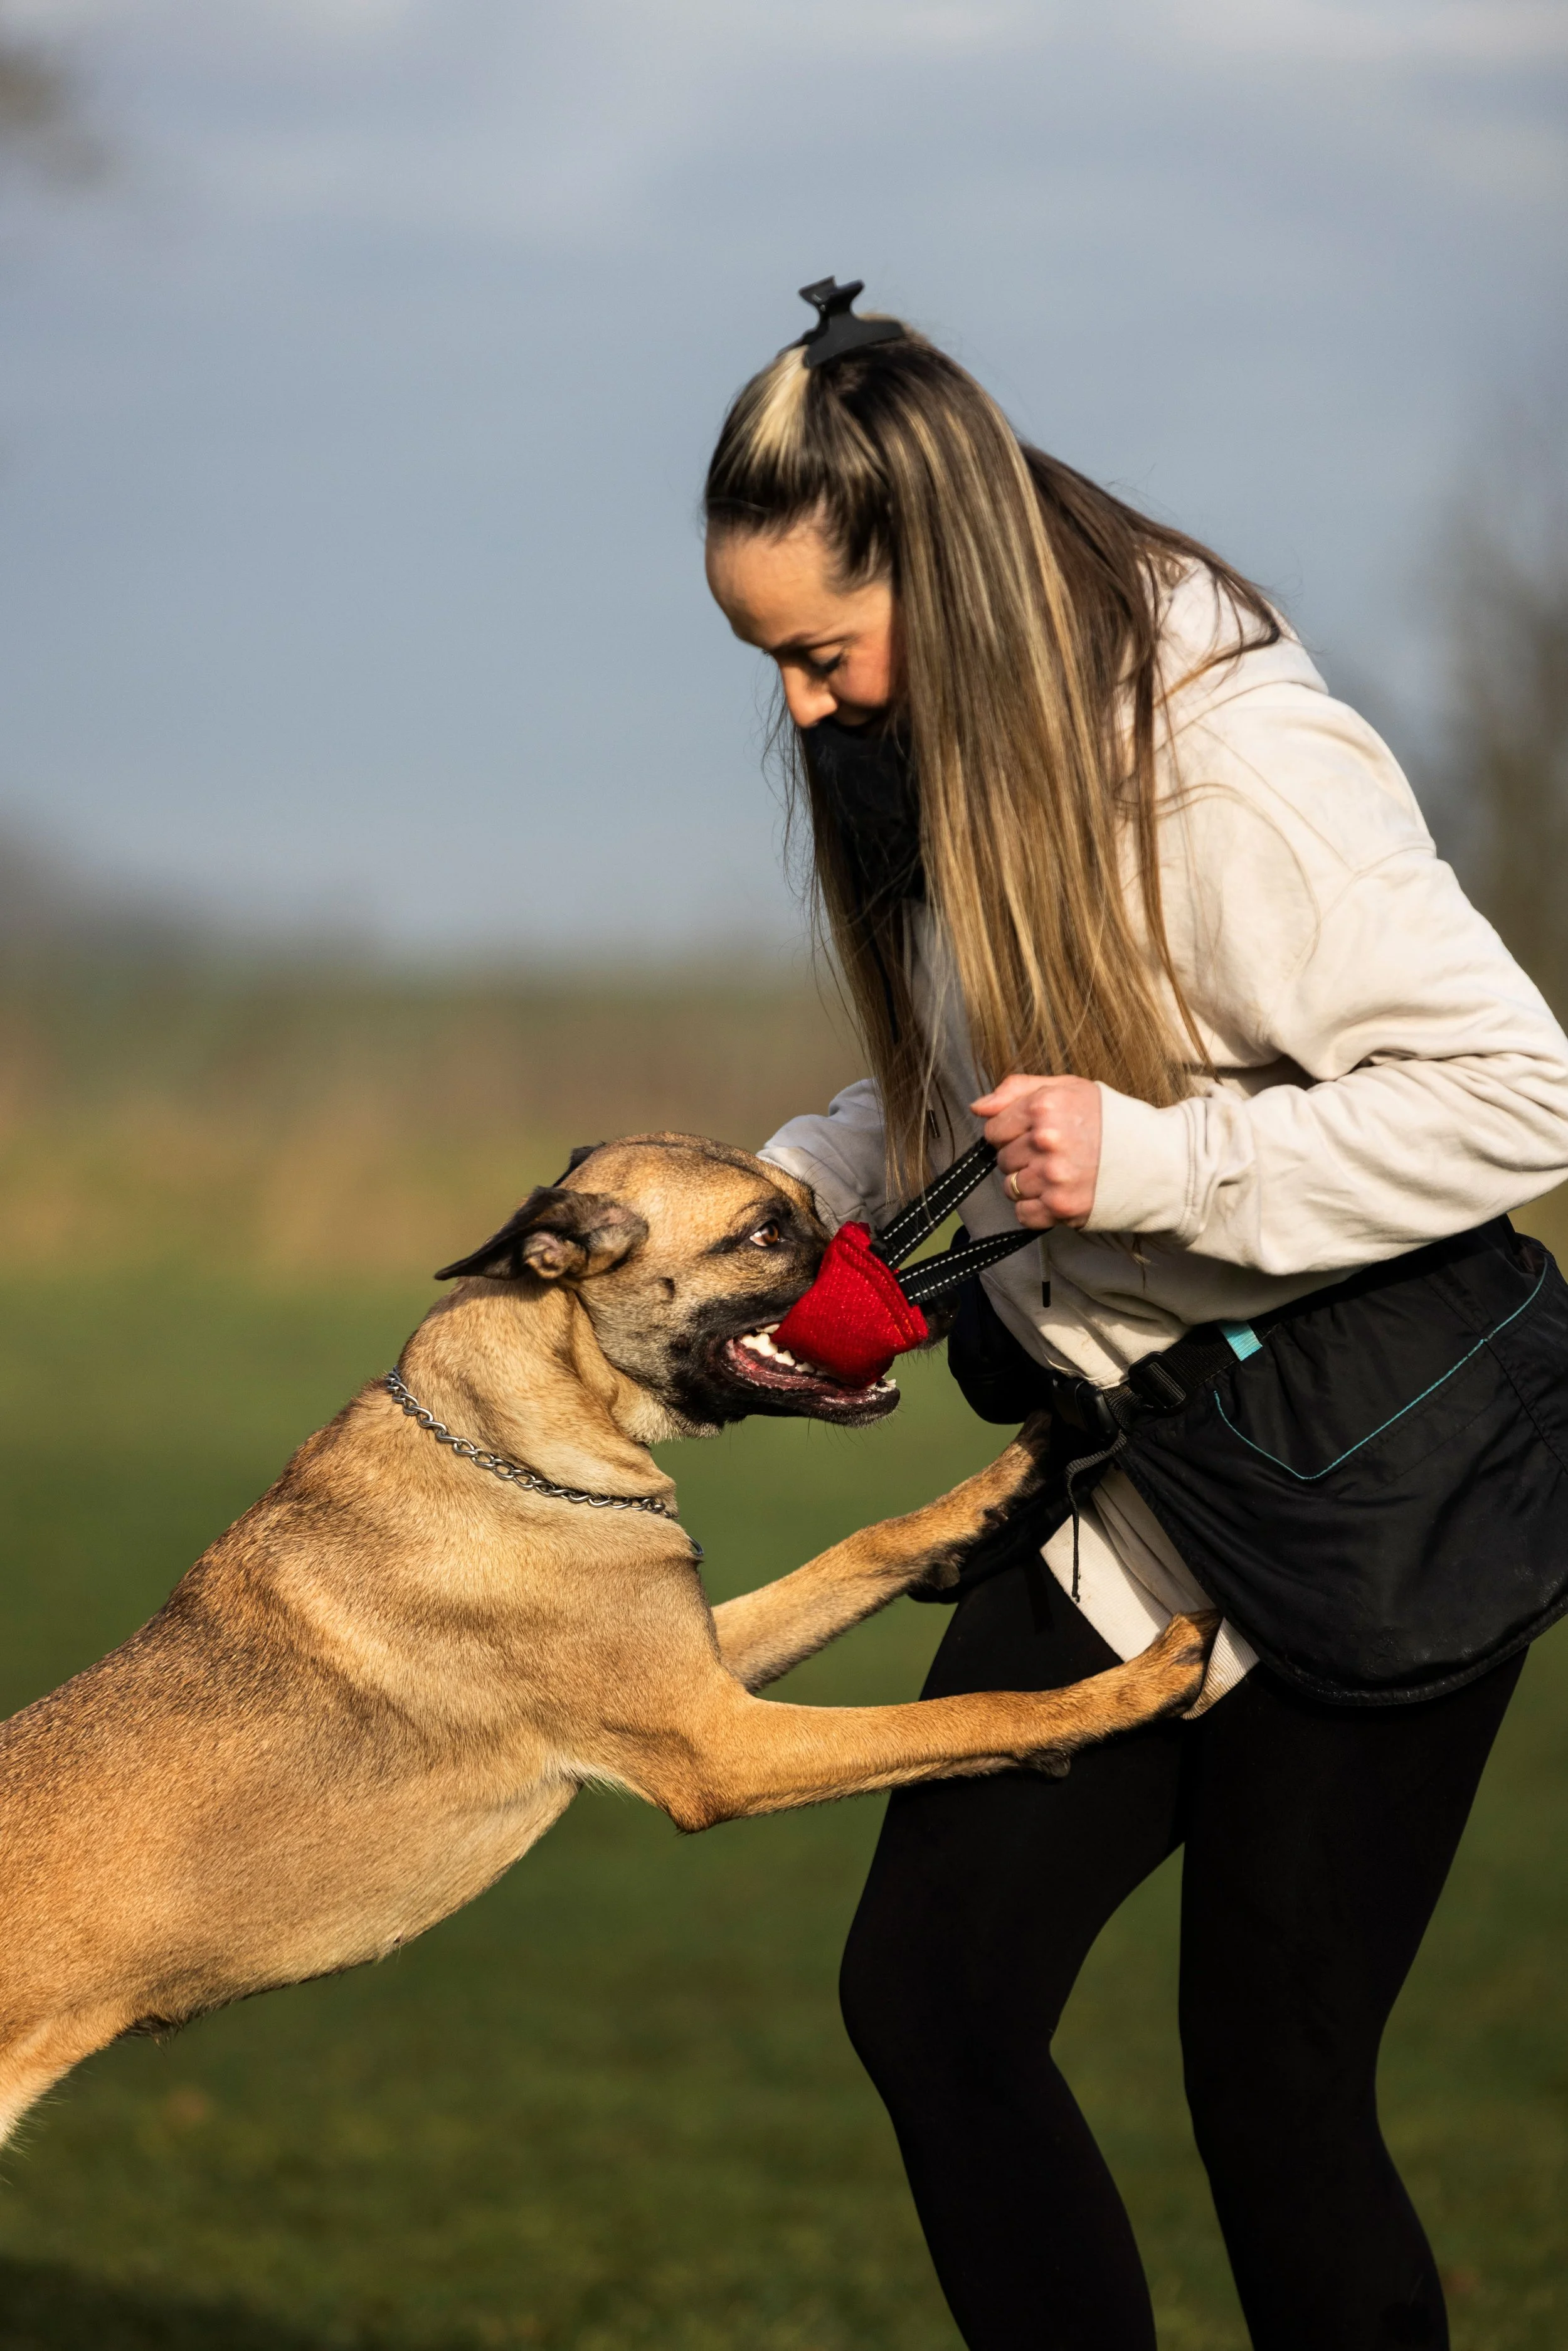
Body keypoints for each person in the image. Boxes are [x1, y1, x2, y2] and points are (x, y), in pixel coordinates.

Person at [701, 280, 1568, 2351]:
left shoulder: (1229, 768)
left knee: (1274, 2094)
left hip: (1383, 1489)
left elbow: (1520, 1089)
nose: (810, 710)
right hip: (1145, 1474)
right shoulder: (974, 749)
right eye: (774, 671)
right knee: (932, 1995)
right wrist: (770, 1226)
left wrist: (1167, 1168)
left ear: (945, 559)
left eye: (821, 653)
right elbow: (973, 1086)